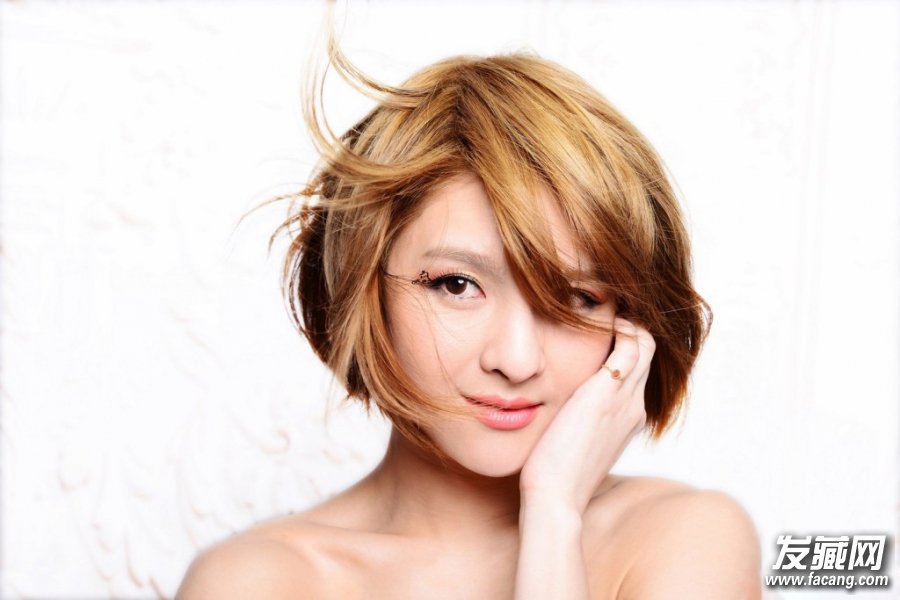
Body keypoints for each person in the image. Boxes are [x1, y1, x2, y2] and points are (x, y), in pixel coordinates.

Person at [176, 42, 762, 599]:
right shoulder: (255, 583)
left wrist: (554, 515)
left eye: (578, 298)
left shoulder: (684, 541)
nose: (516, 360)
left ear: (628, 326)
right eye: (457, 285)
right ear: (364, 286)